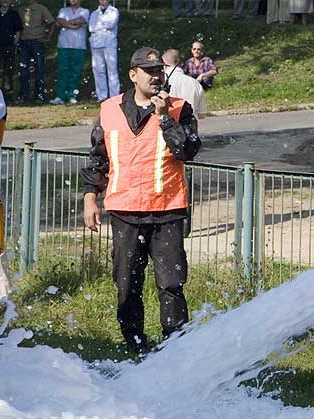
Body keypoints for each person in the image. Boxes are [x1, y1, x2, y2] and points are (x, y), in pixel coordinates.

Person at [80, 47, 201, 352]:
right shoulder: (109, 109)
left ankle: (175, 346)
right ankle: (134, 343)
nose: (156, 77)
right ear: (133, 76)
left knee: (171, 283)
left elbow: (187, 150)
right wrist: (90, 197)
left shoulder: (179, 109)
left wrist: (164, 119)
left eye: (160, 71)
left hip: (167, 209)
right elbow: (99, 156)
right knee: (127, 283)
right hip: (124, 210)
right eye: (150, 72)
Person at [49, 0, 89, 105]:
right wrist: (72, 25)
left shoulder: (85, 11)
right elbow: (60, 20)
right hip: (64, 45)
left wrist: (65, 24)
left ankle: (72, 96)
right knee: (63, 71)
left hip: (78, 46)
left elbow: (80, 21)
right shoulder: (63, 10)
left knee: (75, 71)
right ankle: (60, 96)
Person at [17, 0, 56, 104]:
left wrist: (47, 37)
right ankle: (24, 95)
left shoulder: (41, 9)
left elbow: (51, 22)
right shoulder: (21, 10)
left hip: (37, 42)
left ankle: (40, 95)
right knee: (24, 69)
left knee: (39, 69)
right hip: (24, 42)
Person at [162, 48, 208, 119]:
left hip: (167, 126)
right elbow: (202, 114)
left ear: (164, 64)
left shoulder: (160, 82)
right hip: (189, 127)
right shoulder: (195, 83)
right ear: (181, 63)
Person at [89, 0, 120, 102]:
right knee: (98, 70)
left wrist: (99, 26)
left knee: (112, 71)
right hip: (96, 44)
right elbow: (91, 27)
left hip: (109, 44)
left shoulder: (114, 11)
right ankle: (101, 96)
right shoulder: (94, 13)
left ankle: (114, 96)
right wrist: (103, 25)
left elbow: (110, 24)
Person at [0, 0, 23, 101]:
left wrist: (15, 43)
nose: (5, 1)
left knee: (9, 71)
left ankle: (8, 95)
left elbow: (18, 30)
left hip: (9, 46)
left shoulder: (14, 14)